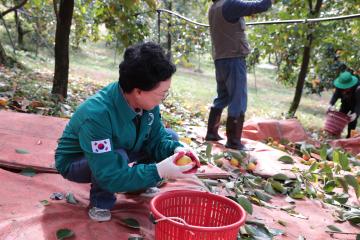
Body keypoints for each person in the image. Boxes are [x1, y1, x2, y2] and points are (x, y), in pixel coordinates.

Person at [55, 42, 200, 222]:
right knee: (117, 156)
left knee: (171, 137)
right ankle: (101, 202)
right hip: (77, 161)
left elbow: (157, 138)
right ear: (138, 92)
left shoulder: (147, 103)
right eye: (162, 94)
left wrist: (177, 150)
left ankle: (139, 185)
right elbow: (108, 173)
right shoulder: (96, 115)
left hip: (120, 146)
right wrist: (158, 171)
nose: (163, 99)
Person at [205, 0, 273, 150]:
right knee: (238, 99)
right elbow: (261, 6)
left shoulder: (214, 8)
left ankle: (211, 133)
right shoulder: (230, 4)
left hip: (220, 58)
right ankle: (234, 141)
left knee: (223, 97)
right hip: (234, 59)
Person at [328, 70, 360, 138]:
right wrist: (331, 104)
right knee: (340, 116)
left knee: (352, 121)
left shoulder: (358, 88)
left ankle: (349, 137)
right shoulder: (340, 86)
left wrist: (356, 113)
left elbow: (359, 103)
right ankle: (335, 133)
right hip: (345, 102)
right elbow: (335, 95)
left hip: (356, 105)